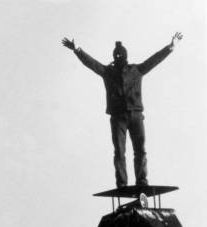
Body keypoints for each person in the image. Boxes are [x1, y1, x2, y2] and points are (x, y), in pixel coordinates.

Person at [62, 33, 182, 188]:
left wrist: (170, 47)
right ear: (114, 56)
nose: (119, 56)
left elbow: (154, 60)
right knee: (119, 151)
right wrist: (77, 50)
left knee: (140, 150)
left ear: (125, 56)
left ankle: (142, 181)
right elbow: (91, 63)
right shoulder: (108, 72)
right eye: (116, 54)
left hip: (136, 115)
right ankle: (122, 183)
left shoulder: (136, 70)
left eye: (121, 54)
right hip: (118, 117)